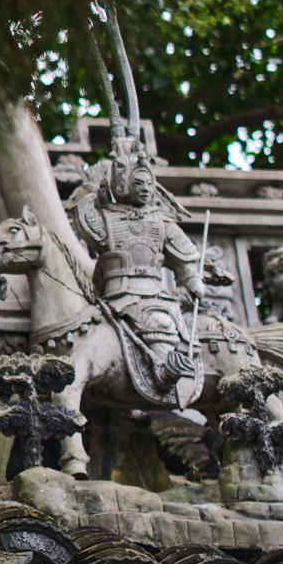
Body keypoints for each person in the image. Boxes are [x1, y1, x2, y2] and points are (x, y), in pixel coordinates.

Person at [67, 138, 205, 397]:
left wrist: (192, 279)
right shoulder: (108, 218)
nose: (146, 189)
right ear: (122, 185)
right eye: (139, 183)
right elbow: (86, 222)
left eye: (149, 184)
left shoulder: (161, 221)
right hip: (115, 294)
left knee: (161, 322)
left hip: (153, 294)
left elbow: (183, 254)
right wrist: (91, 186)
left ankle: (164, 372)